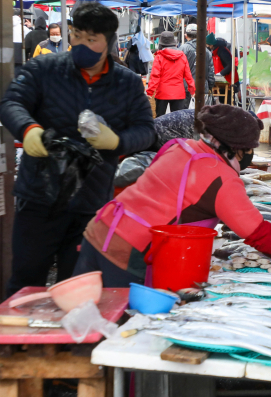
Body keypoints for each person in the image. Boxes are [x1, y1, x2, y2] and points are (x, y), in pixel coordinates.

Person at [0, 2, 155, 297]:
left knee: (79, 286)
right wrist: (28, 128)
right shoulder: (43, 69)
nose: (82, 44)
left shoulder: (128, 83)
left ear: (109, 42)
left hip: (91, 202)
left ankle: (71, 342)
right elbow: (11, 103)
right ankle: (19, 343)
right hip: (39, 197)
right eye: (78, 35)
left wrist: (118, 142)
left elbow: (146, 130)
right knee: (26, 281)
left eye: (92, 39)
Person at [73, 105, 271, 286]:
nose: (249, 155)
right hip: (126, 251)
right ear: (236, 149)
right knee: (115, 333)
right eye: (248, 149)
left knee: (83, 319)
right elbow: (257, 232)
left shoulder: (182, 147)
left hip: (99, 230)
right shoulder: (220, 178)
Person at [147, 31, 195, 117]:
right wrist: (192, 89)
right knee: (177, 121)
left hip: (162, 93)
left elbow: (155, 76)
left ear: (161, 44)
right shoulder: (182, 56)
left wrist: (150, 92)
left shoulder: (159, 56)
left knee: (159, 120)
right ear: (174, 43)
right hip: (178, 93)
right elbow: (188, 75)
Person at [179, 24, 214, 108]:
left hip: (185, 88)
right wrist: (210, 86)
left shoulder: (182, 49)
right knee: (201, 115)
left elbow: (178, 70)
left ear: (186, 35)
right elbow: (211, 73)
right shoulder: (207, 51)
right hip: (202, 87)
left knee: (185, 115)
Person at [206, 34, 238, 105]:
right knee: (222, 99)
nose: (207, 46)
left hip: (230, 80)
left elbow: (231, 65)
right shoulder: (214, 51)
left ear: (211, 44)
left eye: (208, 45)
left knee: (228, 101)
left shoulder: (222, 51)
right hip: (222, 81)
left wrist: (221, 73)